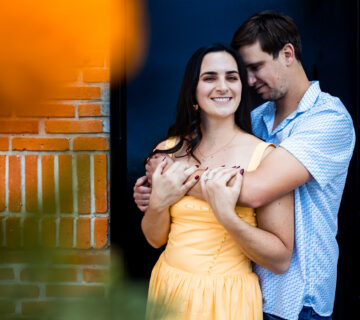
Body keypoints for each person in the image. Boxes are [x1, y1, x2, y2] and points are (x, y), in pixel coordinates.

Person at [134, 11, 355, 320]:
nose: (248, 82)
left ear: (287, 54)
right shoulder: (257, 119)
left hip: (296, 301)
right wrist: (155, 194)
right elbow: (215, 150)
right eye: (244, 72)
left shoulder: (328, 120)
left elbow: (252, 190)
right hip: (245, 291)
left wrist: (170, 177)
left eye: (254, 68)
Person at [141, 43, 294, 320]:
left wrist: (228, 216)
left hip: (226, 300)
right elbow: (154, 239)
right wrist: (158, 204)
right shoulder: (170, 150)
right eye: (210, 77)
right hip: (168, 289)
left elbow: (280, 259)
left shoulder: (264, 157)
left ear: (241, 88)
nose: (222, 86)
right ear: (193, 92)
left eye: (231, 77)